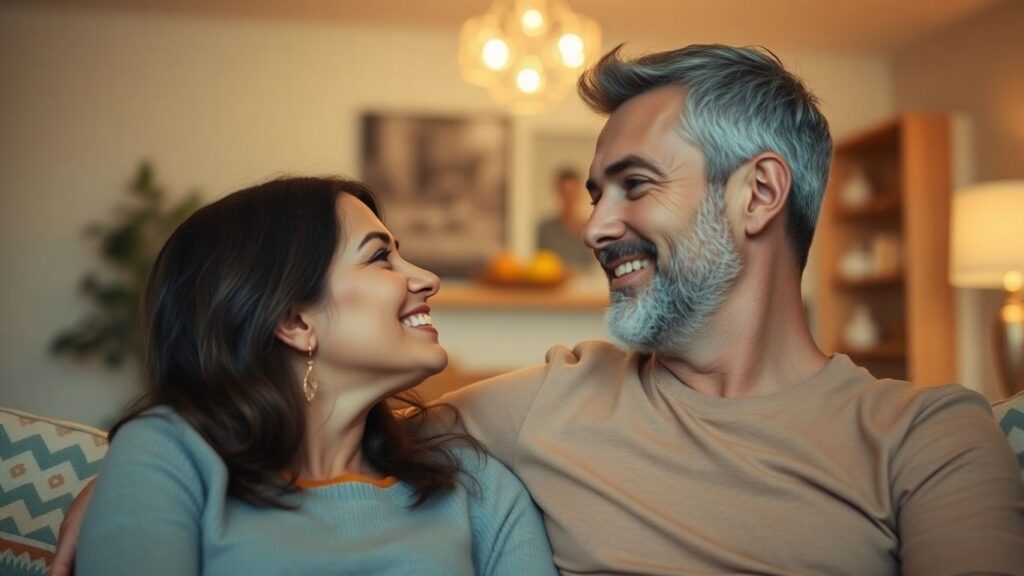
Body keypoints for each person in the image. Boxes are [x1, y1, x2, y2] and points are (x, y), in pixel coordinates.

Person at [54, 44, 1024, 575]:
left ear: (758, 196)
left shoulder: (926, 435)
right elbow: (296, 433)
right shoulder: (533, 407)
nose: (595, 228)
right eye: (593, 192)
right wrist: (131, 490)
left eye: (633, 185)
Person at [69, 177, 556, 575]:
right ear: (296, 322)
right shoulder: (169, 454)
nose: (427, 278)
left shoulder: (474, 485)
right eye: (380, 257)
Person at [536, 168, 594, 270]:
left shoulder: (590, 229)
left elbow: (593, 267)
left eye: (572, 192)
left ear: (579, 193)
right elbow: (541, 264)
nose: (568, 198)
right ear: (557, 193)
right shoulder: (545, 229)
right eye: (565, 192)